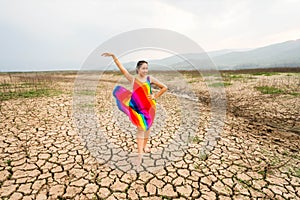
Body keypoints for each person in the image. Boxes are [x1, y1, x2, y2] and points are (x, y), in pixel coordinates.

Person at [101, 52, 168, 164]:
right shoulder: (132, 79)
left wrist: (154, 96)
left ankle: (145, 147)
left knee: (148, 128)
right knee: (140, 130)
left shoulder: (150, 79)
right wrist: (114, 56)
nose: (145, 70)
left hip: (149, 108)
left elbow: (164, 87)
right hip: (137, 108)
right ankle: (140, 155)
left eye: (147, 68)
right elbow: (122, 69)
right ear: (138, 69)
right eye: (143, 68)